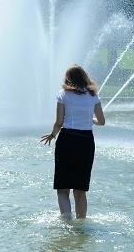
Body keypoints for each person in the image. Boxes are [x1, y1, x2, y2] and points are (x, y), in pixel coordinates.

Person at [40, 65, 105, 220]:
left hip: (67, 140)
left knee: (63, 188)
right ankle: (81, 226)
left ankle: (67, 223)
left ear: (67, 78)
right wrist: (90, 119)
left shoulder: (63, 95)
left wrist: (52, 135)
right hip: (86, 141)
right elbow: (101, 121)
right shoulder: (93, 95)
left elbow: (59, 122)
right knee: (80, 189)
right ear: (85, 77)